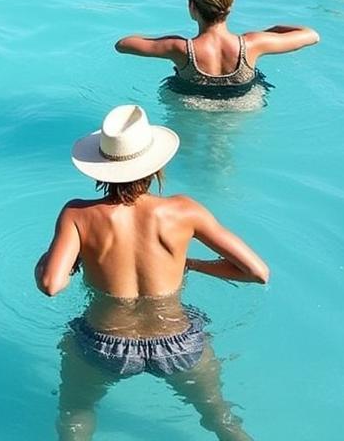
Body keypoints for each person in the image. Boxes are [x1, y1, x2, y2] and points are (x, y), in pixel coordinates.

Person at [35, 104, 269, 441]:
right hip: (178, 342)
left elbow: (52, 285)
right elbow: (257, 272)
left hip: (104, 343)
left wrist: (61, 256)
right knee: (222, 420)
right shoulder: (184, 210)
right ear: (155, 165)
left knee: (75, 416)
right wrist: (195, 265)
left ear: (100, 168)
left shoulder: (77, 215)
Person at [115, 0, 319, 90]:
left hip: (191, 106)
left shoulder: (179, 48)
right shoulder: (253, 44)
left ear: (192, 7)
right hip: (243, 107)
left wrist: (167, 41)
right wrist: (272, 31)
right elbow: (311, 36)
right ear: (230, 5)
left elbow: (122, 45)